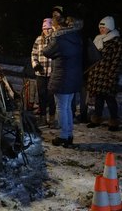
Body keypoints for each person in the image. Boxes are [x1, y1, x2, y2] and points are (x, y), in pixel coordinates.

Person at [42, 16, 83, 147]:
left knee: (61, 107)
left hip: (62, 78)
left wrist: (51, 37)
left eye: (53, 26)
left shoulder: (59, 38)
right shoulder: (75, 36)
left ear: (57, 26)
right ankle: (69, 134)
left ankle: (64, 136)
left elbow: (46, 52)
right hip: (73, 77)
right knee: (68, 107)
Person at [86, 16, 122, 131]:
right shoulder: (98, 39)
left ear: (110, 27)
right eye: (100, 27)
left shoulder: (116, 41)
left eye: (104, 27)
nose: (101, 29)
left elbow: (117, 60)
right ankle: (96, 118)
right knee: (98, 98)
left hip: (107, 75)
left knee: (110, 99)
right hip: (97, 75)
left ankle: (114, 121)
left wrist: (111, 74)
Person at [31, 18, 56, 127]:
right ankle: (42, 117)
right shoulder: (38, 40)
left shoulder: (55, 40)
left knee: (51, 96)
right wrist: (35, 65)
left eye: (49, 28)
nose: (47, 30)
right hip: (40, 73)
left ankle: (52, 118)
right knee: (41, 96)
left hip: (52, 73)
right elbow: (33, 54)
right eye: (45, 28)